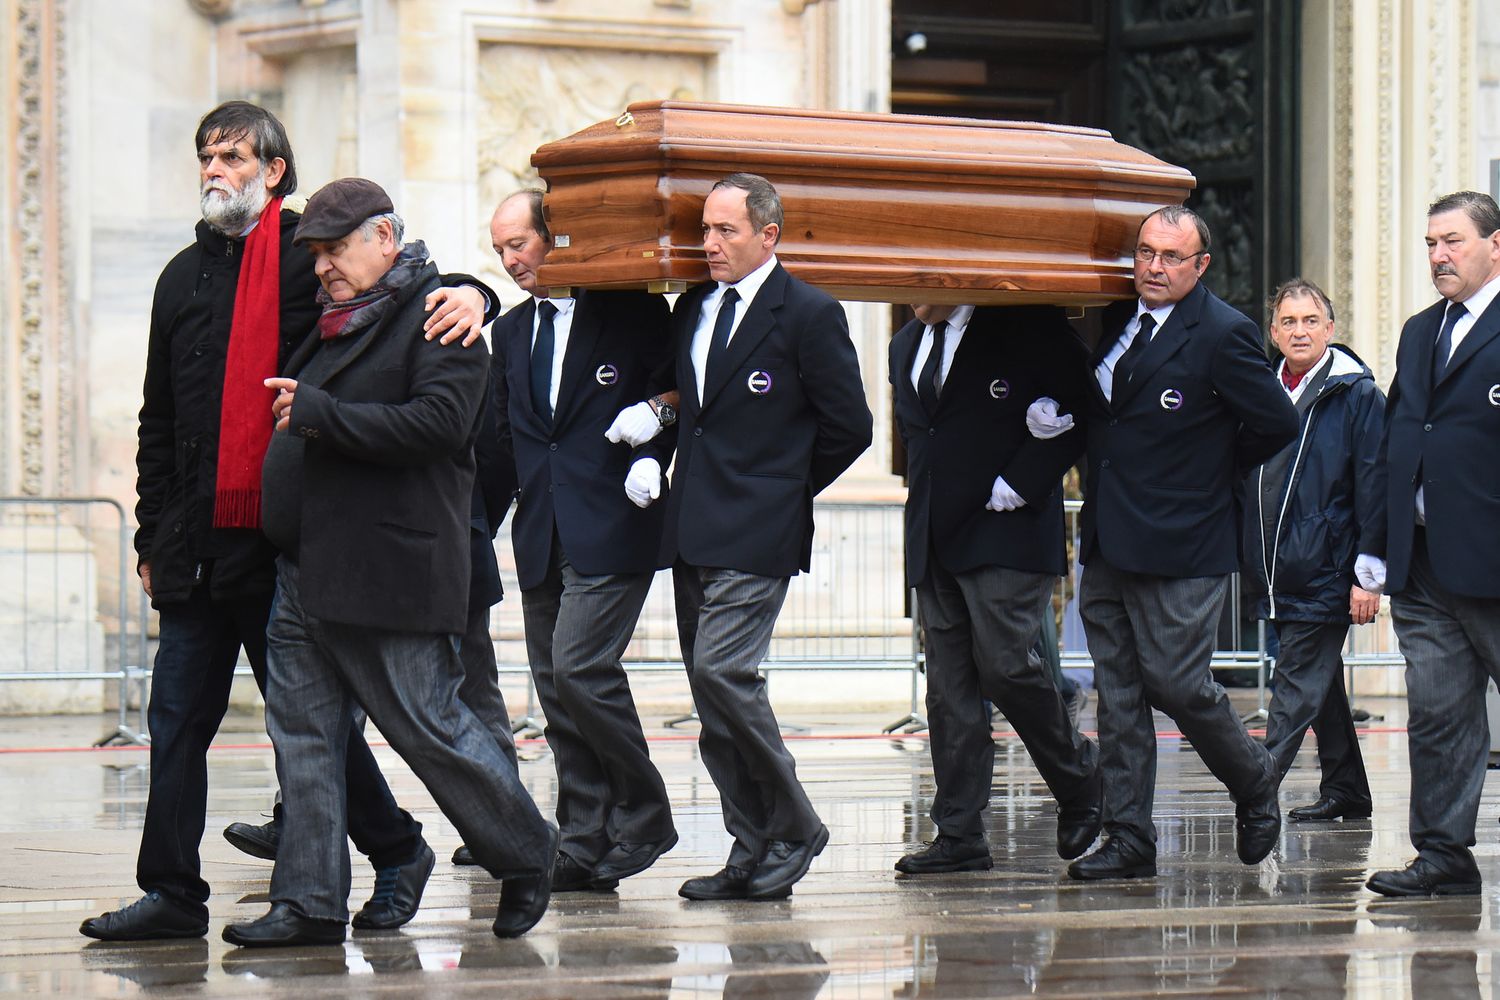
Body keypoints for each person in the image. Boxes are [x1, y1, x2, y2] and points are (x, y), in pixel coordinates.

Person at [81, 102, 489, 943]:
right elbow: (159, 424)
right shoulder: (178, 278)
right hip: (194, 542)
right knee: (175, 723)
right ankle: (171, 893)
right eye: (205, 156)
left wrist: (476, 293)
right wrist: (150, 536)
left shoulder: (312, 255)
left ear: (273, 169)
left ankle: (398, 848)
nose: (213, 170)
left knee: (307, 729)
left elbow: (410, 281)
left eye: (231, 155)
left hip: (282, 540)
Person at [222, 178, 557, 946]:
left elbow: (439, 427)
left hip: (387, 572)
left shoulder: (440, 317)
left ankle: (528, 851)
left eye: (335, 250)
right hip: (306, 568)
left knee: (430, 728)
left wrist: (320, 415)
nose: (322, 268)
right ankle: (308, 903)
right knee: (302, 738)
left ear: (384, 239)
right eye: (315, 255)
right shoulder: (341, 317)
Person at [1065, 205, 1298, 880]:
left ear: (1200, 266)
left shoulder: (1223, 333)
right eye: (1145, 253)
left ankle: (1254, 781)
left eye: (1170, 257)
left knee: (1175, 681)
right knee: (1120, 692)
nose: (1154, 267)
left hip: (1183, 540)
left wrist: (1209, 470)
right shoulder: (1116, 322)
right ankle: (1129, 836)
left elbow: (1275, 424)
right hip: (1110, 537)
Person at [661, 173, 872, 900]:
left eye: (726, 231)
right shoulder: (693, 306)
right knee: (710, 696)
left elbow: (852, 426)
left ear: (768, 235)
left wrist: (784, 488)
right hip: (693, 526)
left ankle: (796, 826)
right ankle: (749, 846)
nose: (710, 244)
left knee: (726, 673)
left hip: (760, 526)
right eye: (706, 231)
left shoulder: (808, 313)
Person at [485, 189, 679, 891]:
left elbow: (681, 389)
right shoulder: (510, 334)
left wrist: (657, 445)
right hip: (541, 530)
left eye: (519, 244)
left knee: (579, 671)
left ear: (555, 238)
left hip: (614, 522)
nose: (510, 260)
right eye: (501, 249)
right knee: (556, 690)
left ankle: (648, 813)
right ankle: (586, 835)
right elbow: (506, 440)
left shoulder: (630, 313)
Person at [888, 303, 1101, 874]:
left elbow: (1084, 406)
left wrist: (1026, 477)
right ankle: (958, 831)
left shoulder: (1025, 323)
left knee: (1007, 666)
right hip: (936, 535)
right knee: (948, 689)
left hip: (1005, 526)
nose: (914, 291)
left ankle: (1082, 783)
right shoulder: (906, 343)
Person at [1367, 190, 1500, 897]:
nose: (1438, 256)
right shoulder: (1421, 330)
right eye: (1429, 243)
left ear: (1495, 245)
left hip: (1493, 561)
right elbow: (1398, 435)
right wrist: (1374, 544)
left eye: (1451, 241)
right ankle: (1444, 855)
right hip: (1422, 563)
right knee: (1440, 715)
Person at [1243, 279, 1384, 823]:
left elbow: (1375, 484)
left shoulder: (1358, 395)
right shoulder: (1259, 389)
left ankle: (1256, 791)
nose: (1299, 330)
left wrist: (1368, 575)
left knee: (1295, 686)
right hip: (1276, 570)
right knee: (1317, 682)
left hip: (1329, 567)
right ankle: (1347, 788)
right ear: (1274, 332)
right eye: (1288, 322)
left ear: (1330, 329)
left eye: (1310, 321)